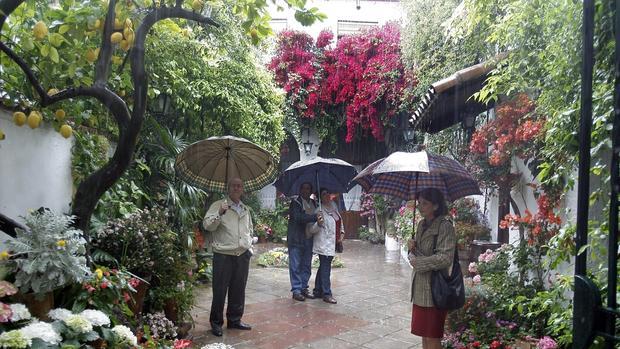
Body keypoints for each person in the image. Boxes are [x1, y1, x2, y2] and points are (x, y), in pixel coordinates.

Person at [203, 177, 253, 337]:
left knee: (238, 289)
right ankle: (216, 323)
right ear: (228, 188)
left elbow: (249, 229)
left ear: (242, 189)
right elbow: (207, 225)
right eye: (233, 186)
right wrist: (219, 213)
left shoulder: (245, 209)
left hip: (242, 255)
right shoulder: (218, 205)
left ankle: (235, 319)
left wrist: (249, 245)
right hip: (223, 255)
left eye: (239, 186)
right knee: (220, 291)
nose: (237, 188)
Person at [407, 188, 456, 349]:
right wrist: (412, 248)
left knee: (433, 337)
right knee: (424, 335)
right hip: (420, 289)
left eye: (425, 203)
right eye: (419, 203)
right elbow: (419, 254)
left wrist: (419, 263)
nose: (420, 207)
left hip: (435, 290)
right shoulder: (421, 224)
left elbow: (445, 258)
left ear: (435, 206)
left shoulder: (445, 226)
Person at [287, 182, 323, 301]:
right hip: (296, 239)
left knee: (306, 265)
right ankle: (296, 290)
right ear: (300, 190)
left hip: (309, 239)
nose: (306, 190)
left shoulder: (314, 203)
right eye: (303, 188)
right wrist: (314, 217)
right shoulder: (295, 203)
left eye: (308, 188)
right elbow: (298, 218)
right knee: (295, 265)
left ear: (311, 190)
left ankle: (303, 288)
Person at [310, 188, 343, 304]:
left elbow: (339, 221)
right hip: (323, 243)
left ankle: (317, 290)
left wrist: (342, 233)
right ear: (320, 197)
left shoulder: (333, 205)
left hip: (333, 242)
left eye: (328, 193)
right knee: (326, 268)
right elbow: (311, 229)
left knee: (324, 266)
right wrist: (318, 224)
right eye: (324, 194)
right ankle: (327, 294)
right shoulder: (318, 210)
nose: (327, 195)